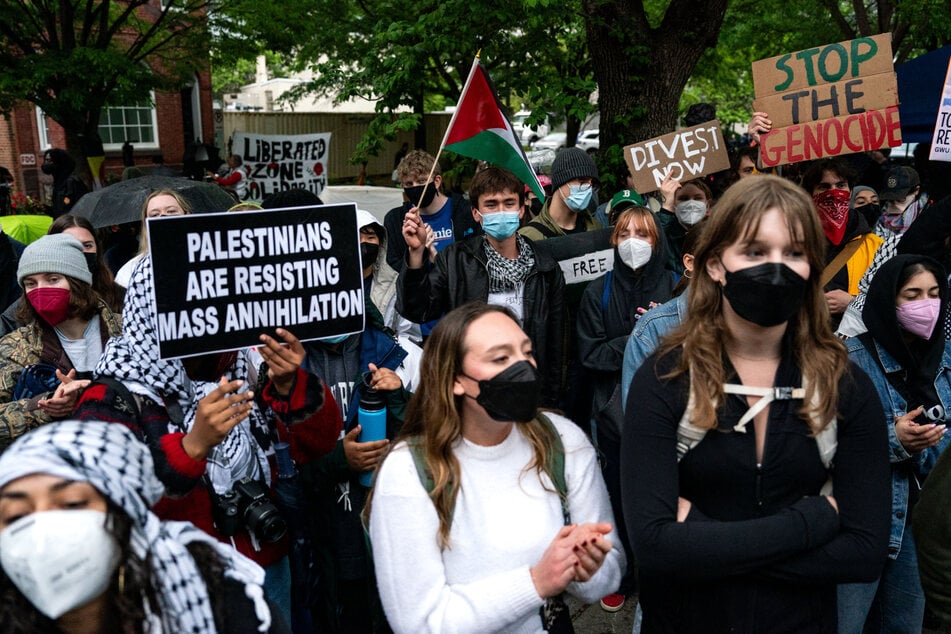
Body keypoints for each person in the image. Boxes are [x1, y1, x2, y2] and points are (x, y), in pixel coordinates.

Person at [622, 175, 891, 633]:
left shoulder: (846, 386)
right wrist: (809, 524)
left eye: (794, 253)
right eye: (754, 251)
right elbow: (653, 546)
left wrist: (701, 537)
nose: (776, 267)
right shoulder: (665, 378)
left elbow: (864, 552)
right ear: (714, 265)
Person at [73, 257, 342, 625]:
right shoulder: (112, 395)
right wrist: (190, 448)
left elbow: (316, 444)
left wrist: (291, 384)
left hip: (266, 567)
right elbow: (102, 506)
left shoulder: (240, 373)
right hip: (177, 588)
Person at [367, 302, 625, 633]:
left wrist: (588, 570)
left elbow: (611, 567)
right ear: (456, 379)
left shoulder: (562, 441)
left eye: (526, 353)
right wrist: (535, 583)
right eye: (500, 358)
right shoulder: (409, 471)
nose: (522, 368)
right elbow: (420, 623)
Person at [0, 420, 288, 633]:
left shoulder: (225, 609)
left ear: (125, 513)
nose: (44, 530)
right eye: (15, 517)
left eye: (73, 503)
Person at [838, 255, 951, 633]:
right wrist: (893, 440)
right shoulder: (848, 361)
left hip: (922, 534)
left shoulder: (946, 360)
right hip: (862, 526)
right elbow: (819, 443)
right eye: (913, 295)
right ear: (889, 300)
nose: (927, 305)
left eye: (935, 294)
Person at [397, 166, 566, 406]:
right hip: (473, 390)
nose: (501, 211)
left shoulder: (545, 266)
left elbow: (556, 345)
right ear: (476, 213)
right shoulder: (456, 260)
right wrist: (416, 253)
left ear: (521, 210)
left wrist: (550, 403)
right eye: (491, 205)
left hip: (529, 390)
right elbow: (417, 310)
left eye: (509, 203)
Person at [576, 205, 675, 612]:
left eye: (645, 233)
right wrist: (638, 337)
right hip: (615, 417)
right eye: (625, 233)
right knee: (617, 495)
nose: (634, 241)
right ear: (614, 240)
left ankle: (659, 573)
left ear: (658, 241)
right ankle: (621, 575)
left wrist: (661, 329)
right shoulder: (596, 291)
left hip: (670, 414)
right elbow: (591, 354)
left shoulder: (676, 286)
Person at [302, 299, 419, 633]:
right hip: (326, 539)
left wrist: (398, 400)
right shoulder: (289, 368)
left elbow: (420, 444)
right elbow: (286, 470)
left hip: (384, 535)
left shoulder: (389, 354)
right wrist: (341, 460)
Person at [0, 234, 122, 449]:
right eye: (31, 283)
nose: (41, 289)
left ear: (77, 281)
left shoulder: (127, 331)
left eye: (52, 279)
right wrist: (45, 405)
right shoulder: (16, 346)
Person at [1, 215, 125, 336]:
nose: (79, 252)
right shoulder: (28, 305)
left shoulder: (121, 296)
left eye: (87, 245)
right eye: (69, 245)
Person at [801, 159, 882, 325]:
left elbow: (888, 303)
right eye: (824, 187)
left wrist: (852, 303)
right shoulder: (795, 243)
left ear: (850, 192)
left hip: (853, 344)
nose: (834, 192)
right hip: (805, 338)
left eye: (841, 185)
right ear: (810, 195)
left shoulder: (876, 246)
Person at [383, 150, 481, 273]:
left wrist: (435, 257)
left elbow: (475, 263)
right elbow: (398, 269)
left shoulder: (467, 213)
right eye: (408, 183)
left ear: (437, 181)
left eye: (421, 181)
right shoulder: (395, 220)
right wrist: (417, 253)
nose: (415, 187)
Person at [357, 209, 420, 342]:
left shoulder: (395, 283)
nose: (363, 243)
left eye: (370, 237)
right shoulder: (331, 287)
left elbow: (409, 335)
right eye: (357, 237)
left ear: (381, 244)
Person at [519, 147, 602, 240]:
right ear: (560, 182)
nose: (588, 188)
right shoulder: (529, 237)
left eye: (591, 183)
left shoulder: (596, 228)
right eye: (581, 180)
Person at [114, 189, 189, 287]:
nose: (163, 216)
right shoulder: (130, 271)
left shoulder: (209, 262)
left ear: (187, 215)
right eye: (155, 215)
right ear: (146, 224)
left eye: (171, 211)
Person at [656, 175, 711, 274]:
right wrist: (667, 209)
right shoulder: (665, 233)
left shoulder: (718, 234)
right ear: (673, 205)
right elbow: (654, 249)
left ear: (707, 206)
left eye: (697, 198)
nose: (691, 203)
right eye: (684, 199)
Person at [41, 149, 88, 218]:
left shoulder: (72, 182)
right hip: (63, 224)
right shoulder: (58, 184)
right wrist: (44, 208)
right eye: (45, 160)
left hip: (72, 225)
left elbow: (79, 207)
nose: (46, 163)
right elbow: (58, 211)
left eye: (49, 161)